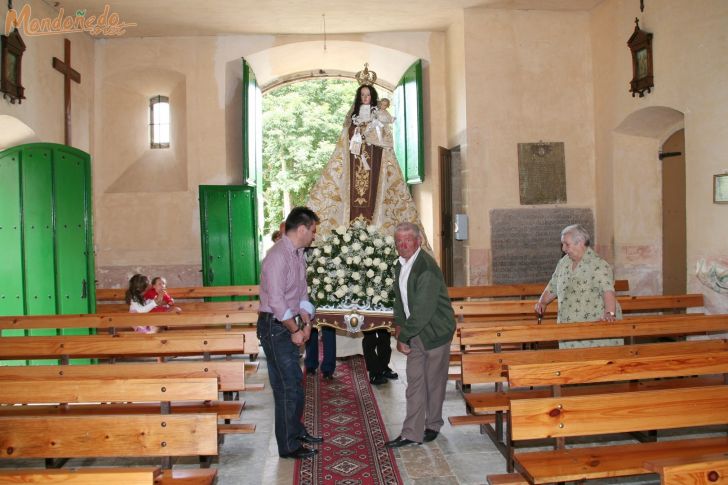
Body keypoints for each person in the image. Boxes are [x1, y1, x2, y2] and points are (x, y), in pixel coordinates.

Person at [257, 206, 323, 459]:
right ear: (302, 229)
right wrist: (295, 330)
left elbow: (301, 293)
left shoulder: (298, 254)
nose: (314, 236)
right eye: (313, 231)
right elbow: (276, 301)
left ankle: (296, 430)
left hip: (289, 324)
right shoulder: (277, 257)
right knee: (287, 387)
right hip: (275, 328)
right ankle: (288, 445)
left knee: (295, 383)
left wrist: (306, 322)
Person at [385, 222, 456, 448]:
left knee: (434, 383)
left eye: (407, 239)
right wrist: (399, 328)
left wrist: (403, 337)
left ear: (419, 241)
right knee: (415, 382)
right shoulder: (400, 265)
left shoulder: (426, 268)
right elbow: (399, 300)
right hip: (416, 332)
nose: (403, 244)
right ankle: (411, 433)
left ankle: (433, 425)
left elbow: (423, 311)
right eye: (399, 241)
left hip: (435, 333)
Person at [535, 224, 623, 349]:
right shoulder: (564, 262)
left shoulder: (597, 264)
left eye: (567, 244)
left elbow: (607, 291)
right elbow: (553, 285)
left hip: (593, 332)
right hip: (568, 328)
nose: (564, 248)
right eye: (562, 244)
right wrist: (542, 302)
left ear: (580, 243)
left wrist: (610, 313)